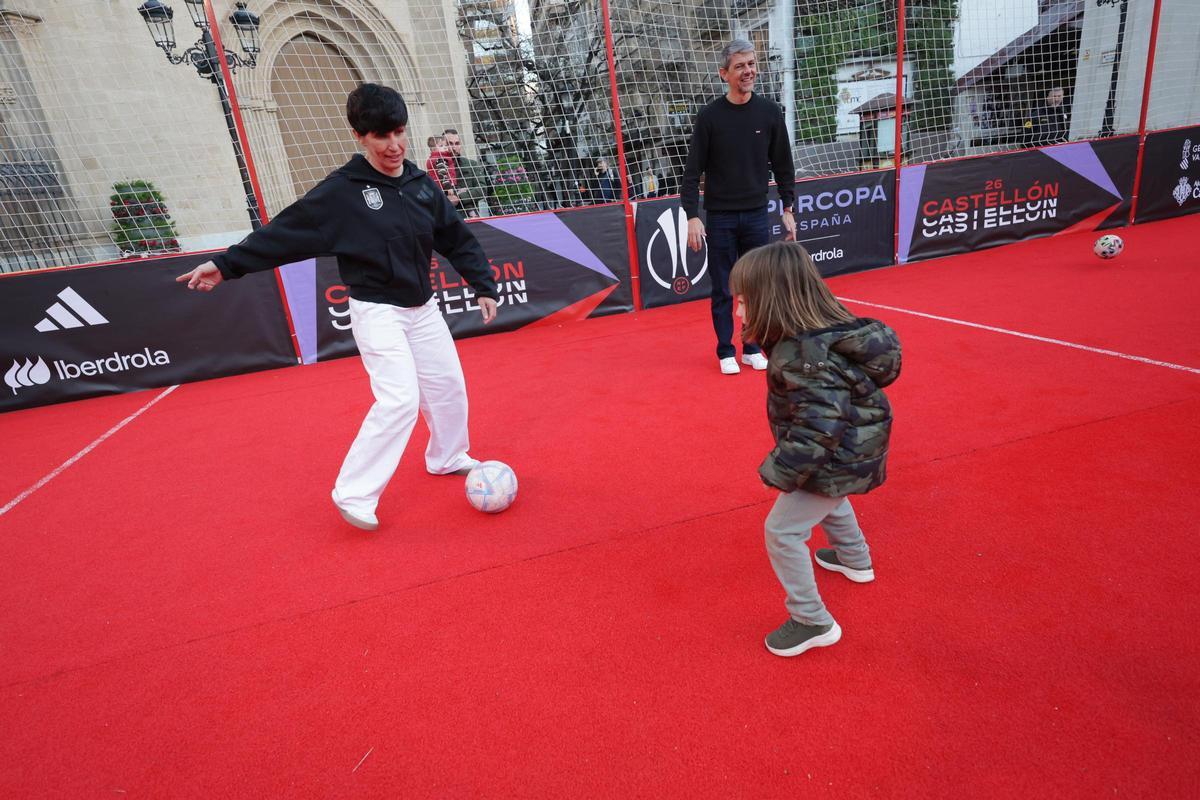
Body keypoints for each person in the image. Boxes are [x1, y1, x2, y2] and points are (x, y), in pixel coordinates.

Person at [176, 83, 499, 532]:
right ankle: (353, 494)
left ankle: (447, 457)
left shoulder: (421, 184)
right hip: (376, 310)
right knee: (400, 400)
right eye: (381, 135)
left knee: (448, 386)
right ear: (359, 137)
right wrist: (226, 266)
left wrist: (483, 283)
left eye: (399, 132)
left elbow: (456, 238)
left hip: (422, 307)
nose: (394, 145)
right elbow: (282, 234)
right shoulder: (341, 193)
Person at [729, 241, 901, 657]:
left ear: (772, 299)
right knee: (828, 494)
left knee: (783, 530)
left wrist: (783, 470)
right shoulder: (814, 338)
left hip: (839, 448)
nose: (738, 312)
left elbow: (819, 426)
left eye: (743, 301)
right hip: (852, 447)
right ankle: (855, 559)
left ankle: (811, 620)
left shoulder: (802, 354)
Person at [682, 39, 797, 376]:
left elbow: (783, 165)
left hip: (757, 215)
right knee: (722, 287)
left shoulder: (770, 112)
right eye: (740, 66)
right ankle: (725, 350)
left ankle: (751, 347)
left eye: (751, 64)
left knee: (757, 287)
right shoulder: (709, 117)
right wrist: (692, 215)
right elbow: (692, 172)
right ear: (724, 74)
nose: (748, 71)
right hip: (720, 217)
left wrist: (787, 206)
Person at [438, 128, 491, 218]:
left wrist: (459, 198)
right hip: (446, 220)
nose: (454, 147)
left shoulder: (472, 165)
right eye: (449, 144)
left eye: (457, 143)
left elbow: (482, 189)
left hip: (470, 219)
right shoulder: (435, 168)